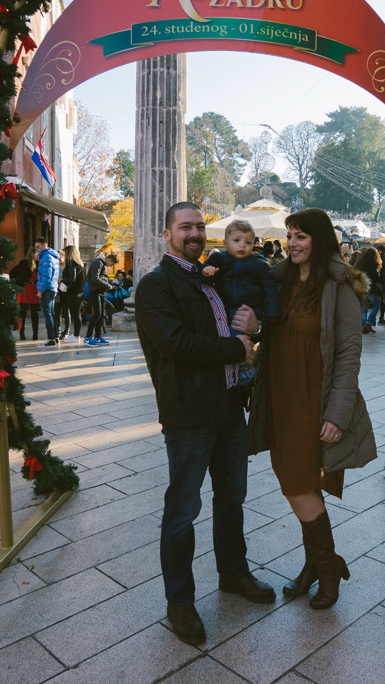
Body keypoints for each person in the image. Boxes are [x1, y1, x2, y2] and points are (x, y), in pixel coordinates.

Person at [134, 201, 270, 646]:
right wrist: (237, 348)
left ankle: (233, 574)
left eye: (199, 227)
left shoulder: (210, 278)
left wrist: (256, 325)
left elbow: (245, 324)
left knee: (232, 499)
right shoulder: (156, 285)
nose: (194, 234)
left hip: (229, 407)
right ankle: (180, 601)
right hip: (189, 414)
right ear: (168, 233)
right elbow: (177, 343)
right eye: (185, 227)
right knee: (182, 510)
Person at [250, 207, 377, 611]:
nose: (292, 243)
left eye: (300, 236)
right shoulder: (279, 281)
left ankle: (328, 568)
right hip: (280, 398)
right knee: (293, 482)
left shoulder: (338, 287)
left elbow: (348, 355)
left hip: (313, 401)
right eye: (289, 235)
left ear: (319, 239)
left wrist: (337, 415)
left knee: (298, 484)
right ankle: (315, 564)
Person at [201, 220, 281, 383]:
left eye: (248, 242)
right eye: (236, 241)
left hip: (251, 309)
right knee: (227, 337)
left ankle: (244, 367)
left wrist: (272, 314)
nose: (242, 246)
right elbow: (206, 277)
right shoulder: (218, 259)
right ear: (225, 243)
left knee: (239, 335)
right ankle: (236, 366)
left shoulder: (259, 264)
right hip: (225, 308)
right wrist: (207, 272)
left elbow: (270, 290)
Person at [84, 251, 117, 347]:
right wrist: (107, 285)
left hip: (102, 291)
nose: (111, 266)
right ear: (109, 260)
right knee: (97, 314)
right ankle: (87, 337)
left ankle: (97, 336)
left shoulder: (102, 264)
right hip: (96, 292)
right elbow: (94, 278)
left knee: (101, 314)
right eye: (112, 264)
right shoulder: (98, 263)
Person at [34, 238, 61, 347]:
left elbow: (47, 276)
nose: (36, 249)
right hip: (52, 288)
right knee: (51, 313)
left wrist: (40, 290)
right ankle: (55, 336)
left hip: (47, 289)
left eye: (38, 246)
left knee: (47, 314)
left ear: (44, 246)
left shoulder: (46, 257)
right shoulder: (51, 256)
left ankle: (51, 339)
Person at [10, 248, 41, 341]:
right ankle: (21, 334)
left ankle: (35, 334)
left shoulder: (39, 264)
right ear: (32, 254)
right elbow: (12, 273)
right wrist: (17, 284)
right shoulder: (23, 263)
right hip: (24, 290)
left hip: (34, 290)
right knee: (21, 313)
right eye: (37, 253)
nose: (39, 255)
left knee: (34, 313)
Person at [57, 245, 85, 342]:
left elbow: (71, 279)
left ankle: (76, 336)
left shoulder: (71, 263)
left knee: (76, 314)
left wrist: (61, 280)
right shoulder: (79, 263)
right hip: (79, 292)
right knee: (76, 314)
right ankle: (76, 335)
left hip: (73, 293)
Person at [354, 247, 383, 334]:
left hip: (362, 288)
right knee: (376, 306)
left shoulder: (360, 264)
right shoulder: (373, 264)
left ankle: (362, 327)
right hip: (371, 289)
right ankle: (368, 323)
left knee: (364, 309)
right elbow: (376, 278)